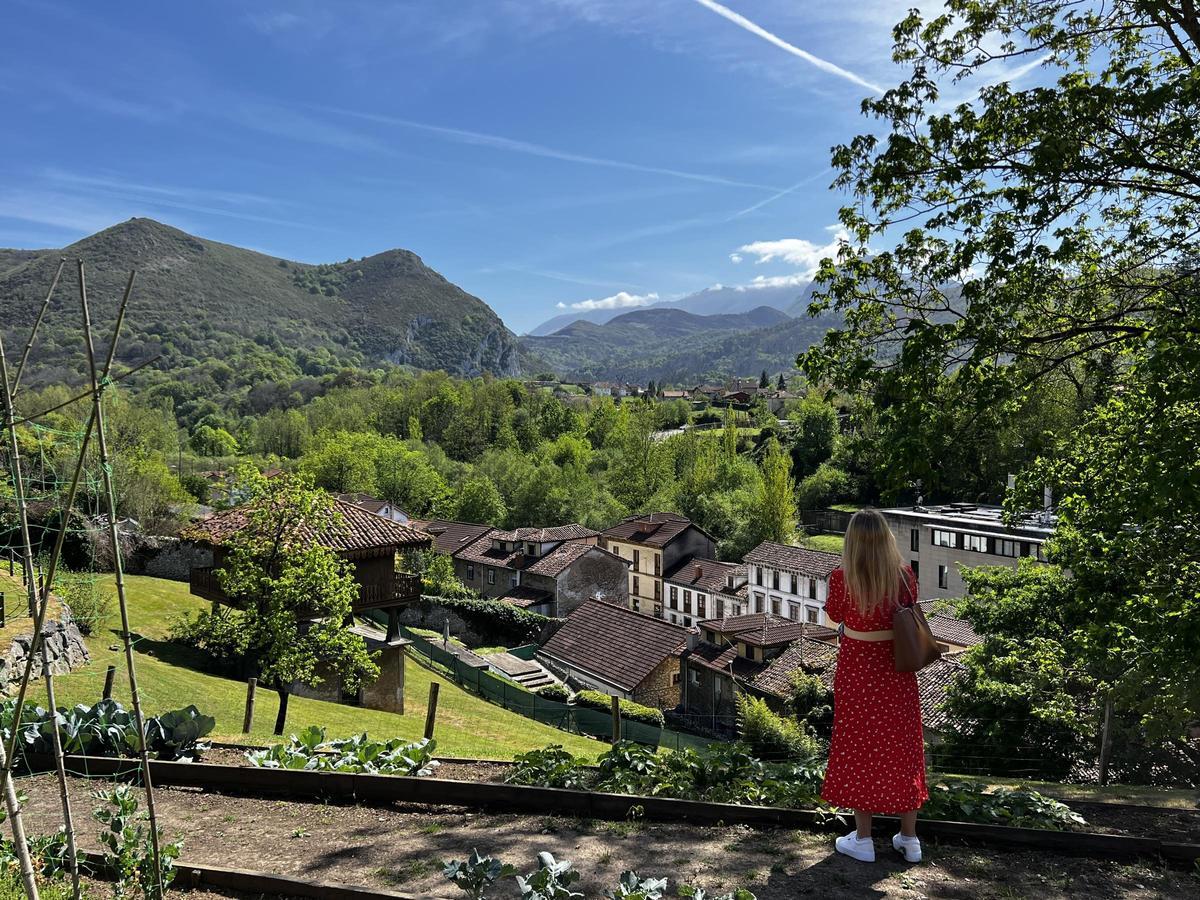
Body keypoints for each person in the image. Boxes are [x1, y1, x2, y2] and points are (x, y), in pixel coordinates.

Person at [820, 507, 927, 863]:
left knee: (858, 748)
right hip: (896, 673)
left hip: (858, 674)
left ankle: (863, 839)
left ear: (851, 542)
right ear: (886, 539)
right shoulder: (904, 576)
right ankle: (909, 839)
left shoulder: (842, 578)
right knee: (903, 747)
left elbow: (835, 614)